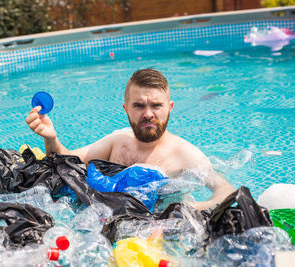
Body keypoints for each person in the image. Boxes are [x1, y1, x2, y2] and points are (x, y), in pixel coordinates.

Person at [25, 69, 235, 210]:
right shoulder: (117, 141)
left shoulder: (186, 155)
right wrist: (51, 138)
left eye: (156, 105)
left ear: (169, 108)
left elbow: (226, 191)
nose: (148, 114)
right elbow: (63, 164)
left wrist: (189, 210)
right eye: (139, 106)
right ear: (126, 109)